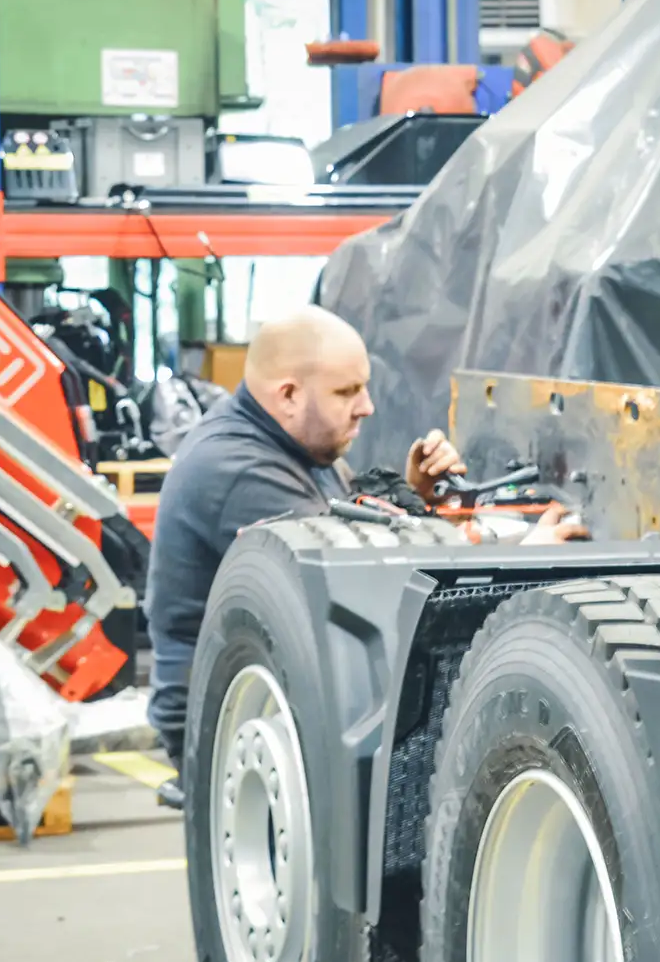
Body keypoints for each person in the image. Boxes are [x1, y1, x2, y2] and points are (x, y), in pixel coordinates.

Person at [142, 304, 583, 793]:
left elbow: (348, 526)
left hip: (265, 683)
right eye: (347, 391)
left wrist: (417, 497)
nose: (367, 406)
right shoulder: (239, 469)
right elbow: (356, 584)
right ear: (288, 395)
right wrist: (523, 556)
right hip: (230, 712)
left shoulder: (291, 445)